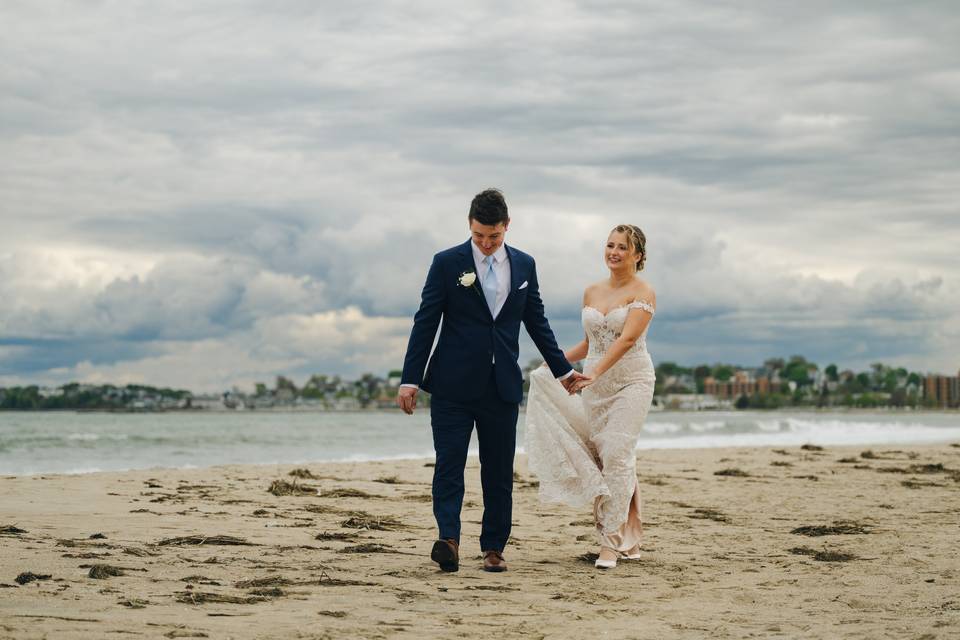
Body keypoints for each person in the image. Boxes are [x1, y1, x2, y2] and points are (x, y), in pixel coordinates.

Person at [397, 188, 586, 573]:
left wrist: (563, 371)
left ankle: (494, 547)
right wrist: (409, 379)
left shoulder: (525, 265)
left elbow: (536, 321)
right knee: (448, 465)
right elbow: (426, 321)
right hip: (452, 384)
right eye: (480, 235)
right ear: (470, 225)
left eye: (494, 236)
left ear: (507, 227)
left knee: (498, 471)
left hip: (501, 385)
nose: (485, 244)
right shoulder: (446, 263)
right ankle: (448, 539)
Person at [524, 224, 656, 569]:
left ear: (637, 255)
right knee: (610, 457)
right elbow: (589, 343)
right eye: (610, 245)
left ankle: (610, 544)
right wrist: (553, 364)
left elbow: (625, 340)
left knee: (616, 451)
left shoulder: (644, 292)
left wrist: (595, 371)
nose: (614, 252)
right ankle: (632, 536)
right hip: (594, 386)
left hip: (632, 380)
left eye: (623, 247)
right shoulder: (591, 292)